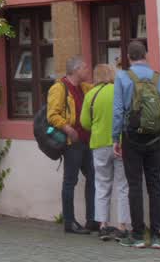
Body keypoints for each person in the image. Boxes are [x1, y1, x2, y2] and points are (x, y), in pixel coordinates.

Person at [113, 41, 160, 249]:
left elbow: (118, 112)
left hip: (131, 139)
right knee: (155, 186)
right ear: (146, 55)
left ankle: (138, 235)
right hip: (156, 139)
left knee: (135, 186)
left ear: (128, 57)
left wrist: (115, 139)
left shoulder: (122, 77)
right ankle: (156, 236)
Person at [47, 55, 95, 234]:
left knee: (93, 177)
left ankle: (92, 220)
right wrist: (67, 129)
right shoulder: (59, 88)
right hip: (71, 142)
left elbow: (100, 90)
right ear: (76, 70)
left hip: (86, 140)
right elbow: (52, 115)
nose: (88, 71)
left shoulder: (84, 87)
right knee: (70, 181)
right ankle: (69, 221)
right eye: (85, 68)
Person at [81, 63, 128, 241]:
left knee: (101, 185)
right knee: (123, 186)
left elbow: (85, 123)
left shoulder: (90, 95)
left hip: (99, 144)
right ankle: (122, 226)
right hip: (120, 143)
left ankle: (103, 225)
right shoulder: (118, 91)